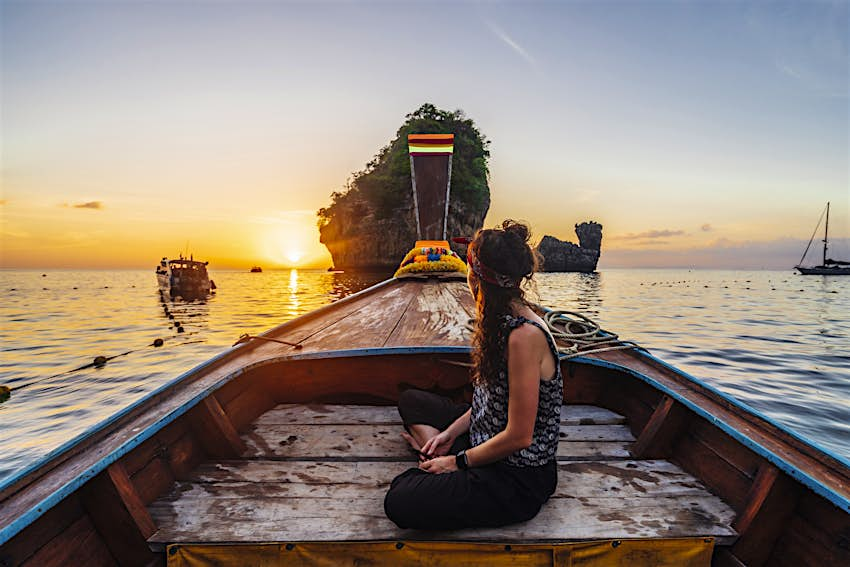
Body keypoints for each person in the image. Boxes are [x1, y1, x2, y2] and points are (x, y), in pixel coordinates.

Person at [384, 220, 563, 529]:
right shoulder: (502, 319)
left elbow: (520, 436)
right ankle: (434, 454)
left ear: (477, 277)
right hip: (486, 436)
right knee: (411, 400)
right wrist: (449, 435)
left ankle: (439, 465)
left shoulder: (524, 336)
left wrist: (457, 461)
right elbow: (488, 402)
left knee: (400, 499)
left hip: (516, 476)